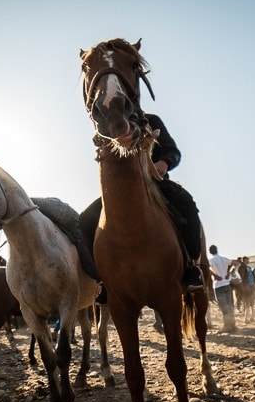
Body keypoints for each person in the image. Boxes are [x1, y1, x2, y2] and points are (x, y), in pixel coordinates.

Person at [79, 113, 204, 303]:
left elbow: (173, 151)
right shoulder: (107, 127)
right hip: (119, 192)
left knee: (186, 204)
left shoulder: (151, 121)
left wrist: (165, 162)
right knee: (85, 220)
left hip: (155, 184)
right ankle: (103, 280)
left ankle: (192, 267)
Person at [208, 245, 239, 332]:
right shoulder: (224, 259)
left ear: (210, 252)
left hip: (218, 285)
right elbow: (237, 264)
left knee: (223, 307)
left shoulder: (211, 260)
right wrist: (230, 273)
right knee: (229, 305)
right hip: (227, 284)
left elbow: (206, 268)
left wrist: (215, 275)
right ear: (217, 250)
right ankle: (233, 326)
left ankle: (227, 326)